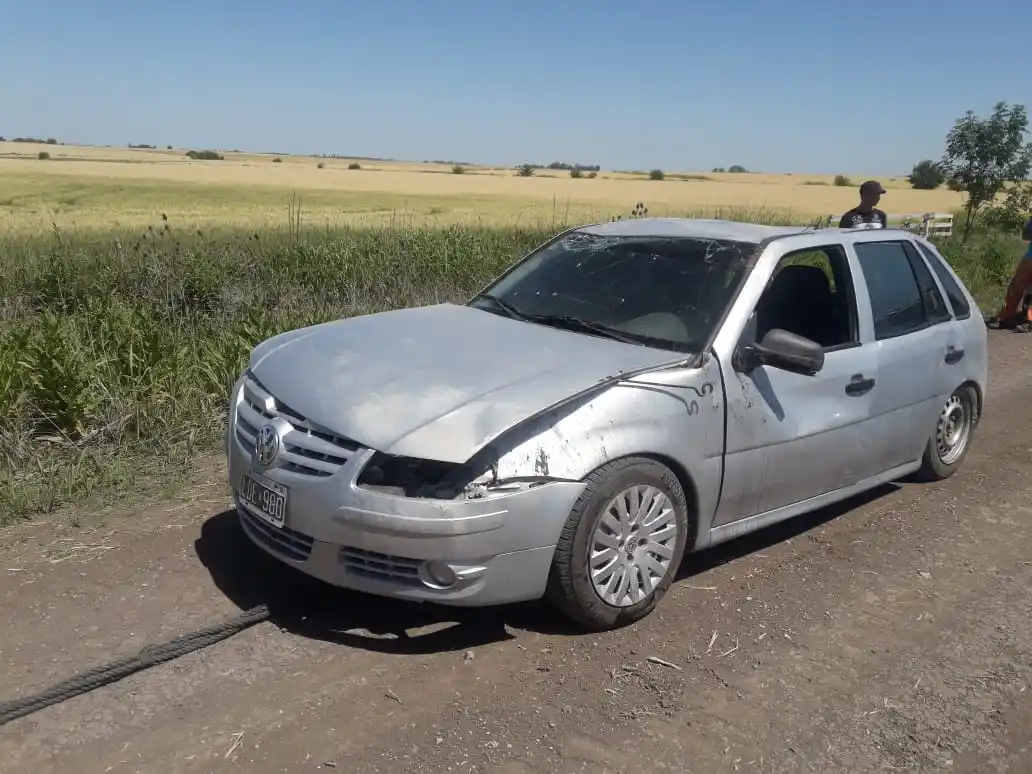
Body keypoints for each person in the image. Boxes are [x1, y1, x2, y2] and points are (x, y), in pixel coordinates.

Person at [989, 215, 1032, 329]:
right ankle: (1007, 317)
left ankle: (1029, 321)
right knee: (1015, 287)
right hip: (1030, 257)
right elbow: (1026, 234)